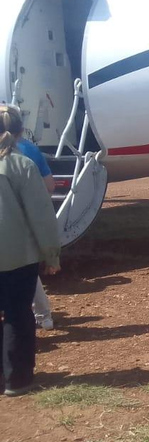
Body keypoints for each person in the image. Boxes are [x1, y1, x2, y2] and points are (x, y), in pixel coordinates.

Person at [0, 105, 60, 396]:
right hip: (15, 257)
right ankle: (17, 380)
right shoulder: (22, 165)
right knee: (16, 315)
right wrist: (51, 254)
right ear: (16, 134)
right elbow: (41, 215)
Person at [16, 135, 56, 330]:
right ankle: (43, 316)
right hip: (24, 224)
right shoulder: (29, 151)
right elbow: (50, 187)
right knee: (28, 271)